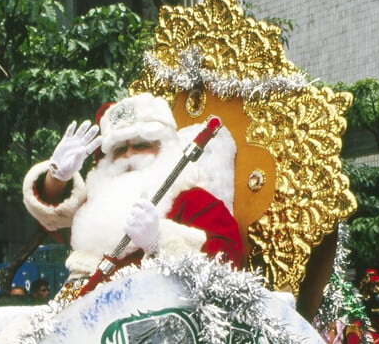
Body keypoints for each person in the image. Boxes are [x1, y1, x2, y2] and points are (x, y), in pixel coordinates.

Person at [22, 93, 243, 286]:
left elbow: (227, 261)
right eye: (119, 149)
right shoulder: (99, 203)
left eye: (140, 145)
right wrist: (57, 177)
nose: (128, 155)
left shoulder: (193, 200)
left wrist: (160, 243)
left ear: (163, 148)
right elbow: (57, 222)